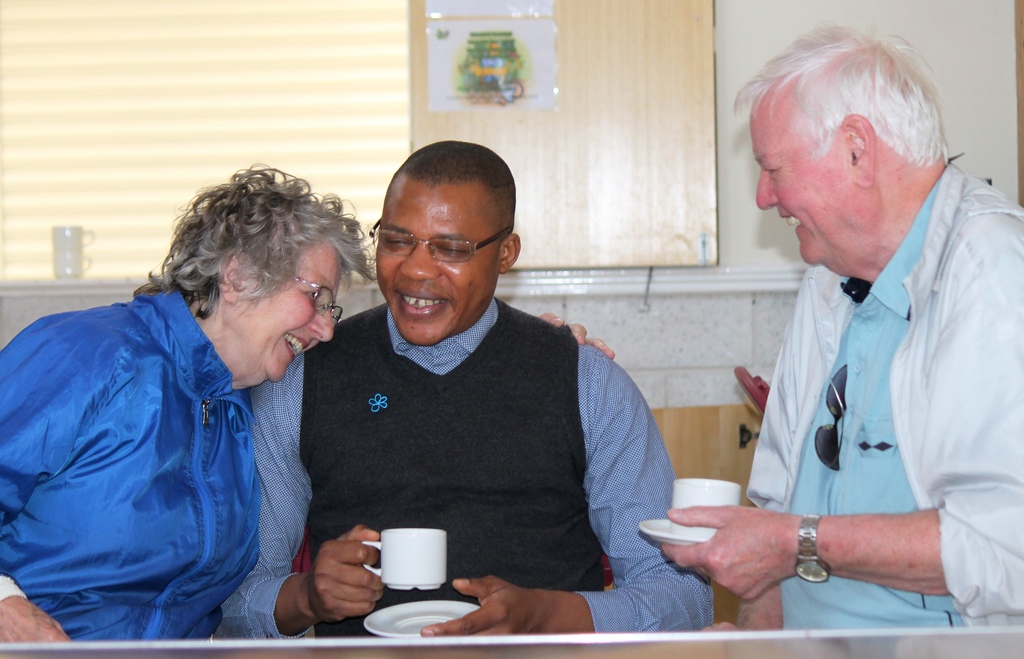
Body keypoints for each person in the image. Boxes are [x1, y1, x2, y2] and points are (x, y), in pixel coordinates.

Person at [218, 140, 712, 638]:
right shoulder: (303, 379)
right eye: (396, 240)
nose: (415, 269)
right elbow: (229, 599)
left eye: (450, 248)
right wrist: (305, 599)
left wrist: (544, 618)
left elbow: (682, 594)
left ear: (506, 254)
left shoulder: (586, 383)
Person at [660, 24, 1024, 629]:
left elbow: (1003, 547)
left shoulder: (993, 271)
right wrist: (755, 647)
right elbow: (776, 525)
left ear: (857, 149)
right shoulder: (831, 275)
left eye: (773, 167)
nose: (762, 195)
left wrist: (793, 541)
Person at [0, 165, 373, 641]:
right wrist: (6, 607)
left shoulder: (240, 407)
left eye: (330, 308)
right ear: (237, 276)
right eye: (315, 298)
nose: (326, 329)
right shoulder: (86, 353)